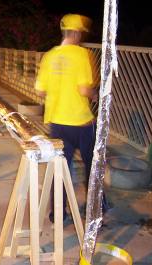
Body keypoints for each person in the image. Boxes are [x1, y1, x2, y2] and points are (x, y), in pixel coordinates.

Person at [35, 14, 107, 224]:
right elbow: (84, 89)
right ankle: (96, 211)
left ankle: (57, 213)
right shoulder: (82, 55)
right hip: (81, 123)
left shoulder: (49, 56)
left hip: (57, 123)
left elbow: (40, 91)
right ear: (76, 33)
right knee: (92, 167)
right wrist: (94, 93)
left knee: (60, 169)